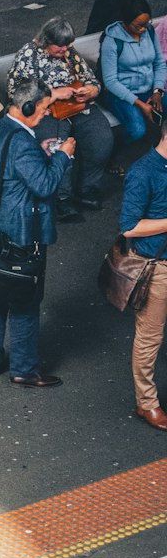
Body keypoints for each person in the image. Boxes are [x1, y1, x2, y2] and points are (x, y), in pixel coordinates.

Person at [0, 78, 75, 388]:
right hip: (20, 232)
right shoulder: (21, 142)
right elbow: (44, 185)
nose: (47, 114)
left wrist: (41, 151)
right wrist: (63, 156)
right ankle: (24, 368)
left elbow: (12, 169)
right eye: (44, 109)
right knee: (25, 301)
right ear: (29, 107)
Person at [8, 17, 113, 220]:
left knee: (101, 139)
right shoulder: (28, 56)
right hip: (46, 112)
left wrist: (90, 90)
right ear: (46, 40)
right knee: (57, 147)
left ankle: (85, 188)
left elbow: (90, 78)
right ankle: (61, 198)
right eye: (60, 46)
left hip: (77, 106)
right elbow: (16, 94)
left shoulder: (69, 53)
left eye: (68, 46)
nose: (65, 50)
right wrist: (53, 94)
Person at [119, 119, 167, 430]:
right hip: (157, 266)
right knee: (150, 337)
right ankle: (146, 403)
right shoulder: (143, 172)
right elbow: (129, 227)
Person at [99, 0, 166, 147]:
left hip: (147, 90)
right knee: (136, 130)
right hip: (121, 95)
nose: (142, 29)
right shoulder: (112, 41)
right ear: (126, 21)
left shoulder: (149, 32)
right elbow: (110, 82)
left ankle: (161, 147)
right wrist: (140, 104)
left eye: (146, 24)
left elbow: (159, 63)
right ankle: (113, 153)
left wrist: (157, 91)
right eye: (138, 26)